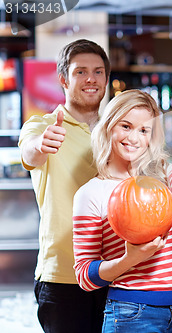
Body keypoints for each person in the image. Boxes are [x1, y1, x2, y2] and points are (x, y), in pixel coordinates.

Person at [72, 89, 172, 333]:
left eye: (144, 130)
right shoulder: (91, 193)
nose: (134, 138)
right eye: (126, 126)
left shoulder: (164, 173)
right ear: (108, 127)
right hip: (130, 313)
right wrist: (130, 259)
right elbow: (84, 276)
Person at [18, 39, 110, 333]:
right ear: (63, 79)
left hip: (116, 272)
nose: (91, 79)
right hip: (63, 276)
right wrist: (42, 144)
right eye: (80, 72)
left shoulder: (117, 130)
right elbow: (30, 151)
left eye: (98, 71)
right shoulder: (41, 125)